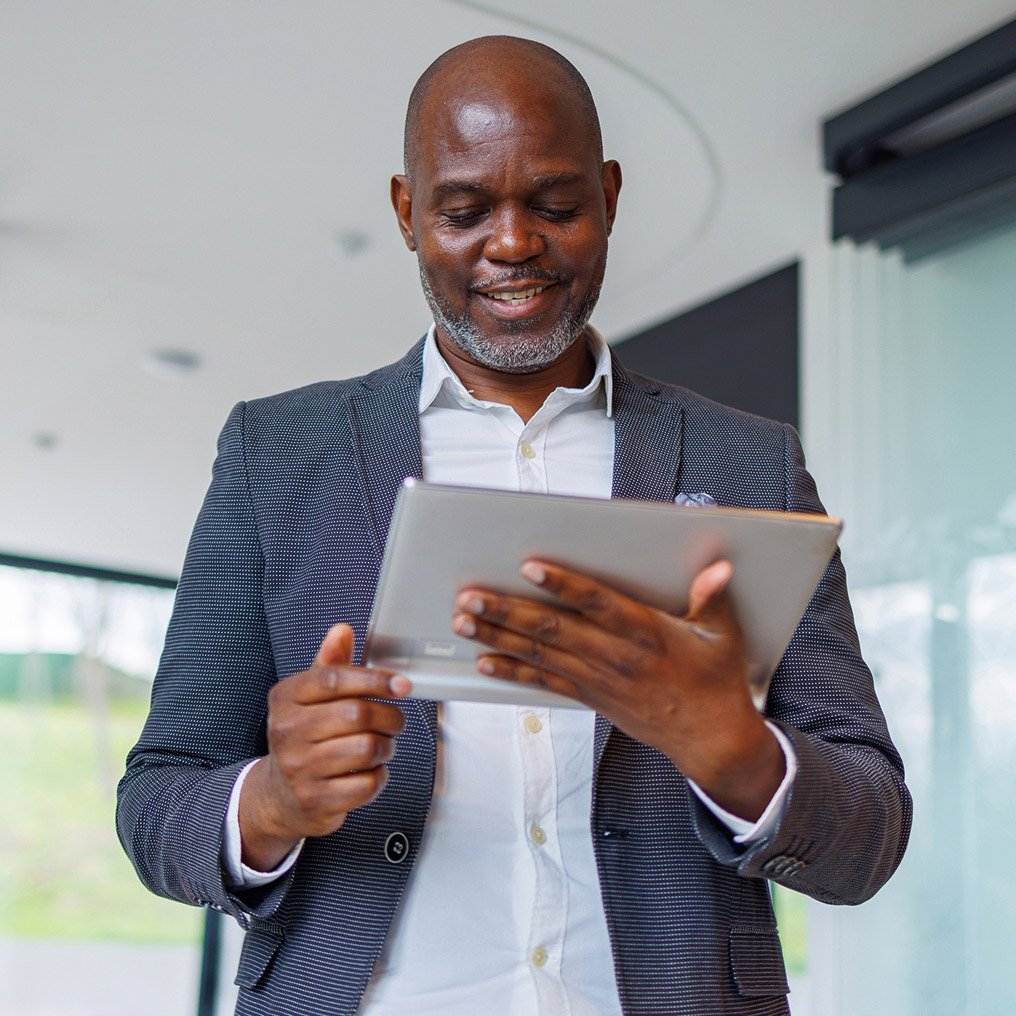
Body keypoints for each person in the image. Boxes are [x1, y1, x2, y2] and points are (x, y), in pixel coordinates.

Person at [117, 36, 911, 1016]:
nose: (510, 243)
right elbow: (157, 795)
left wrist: (728, 744)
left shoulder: (747, 462)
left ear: (610, 196)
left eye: (554, 205)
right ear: (407, 213)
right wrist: (273, 799)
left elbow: (869, 829)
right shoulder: (275, 451)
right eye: (462, 209)